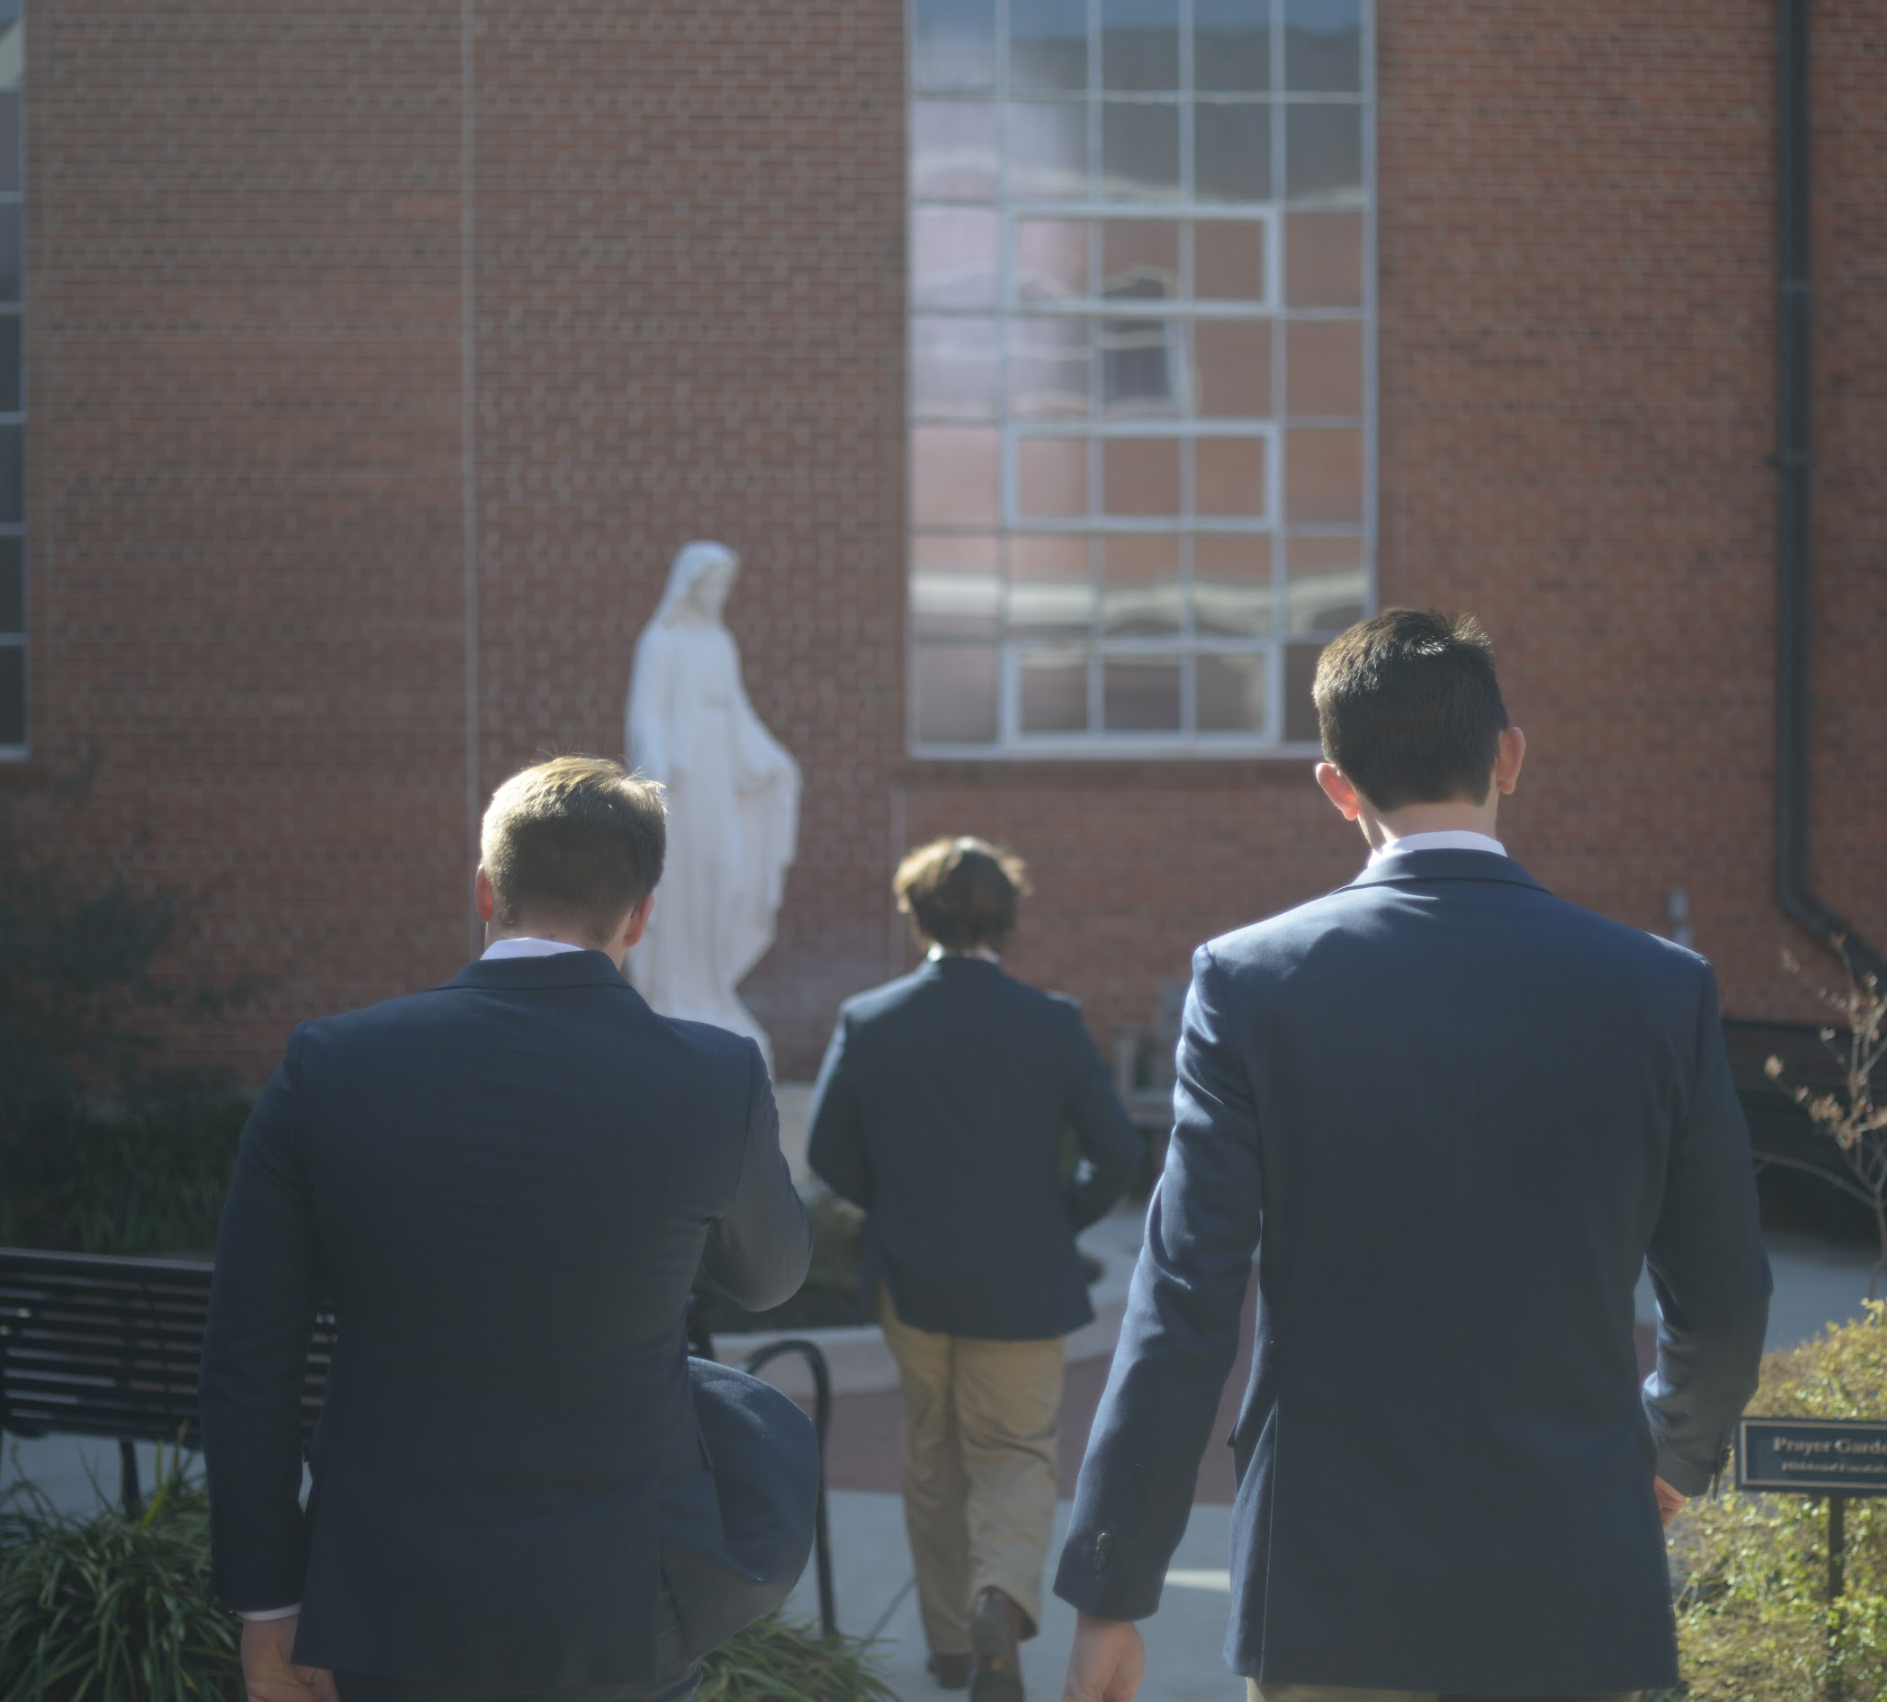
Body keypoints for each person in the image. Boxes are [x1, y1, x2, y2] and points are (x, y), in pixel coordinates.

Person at [1055, 610, 1773, 1702]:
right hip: (1573, 1564)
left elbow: (1183, 1304)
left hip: (1325, 1579)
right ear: (1510, 756)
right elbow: (1722, 1294)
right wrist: (1673, 1452)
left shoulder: (1250, 983)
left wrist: (1114, 1584)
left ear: (1337, 785)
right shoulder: (1659, 989)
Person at [199, 755, 814, 1702]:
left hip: (382, 1610)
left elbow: (249, 1361)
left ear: (485, 892)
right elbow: (772, 1278)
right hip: (616, 1615)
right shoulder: (714, 1079)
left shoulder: (329, 1066)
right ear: (641, 915)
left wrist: (269, 1603)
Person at [807, 837, 1143, 1702]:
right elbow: (1114, 1154)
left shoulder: (869, 1018)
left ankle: (952, 1650)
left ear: (913, 915)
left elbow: (827, 1153)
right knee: (1014, 1453)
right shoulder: (1052, 1021)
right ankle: (999, 1598)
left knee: (930, 1457)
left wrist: (897, 1208)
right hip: (1020, 1283)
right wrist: (1051, 1219)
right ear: (1008, 918)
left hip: (910, 1280)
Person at [624, 539, 801, 1074]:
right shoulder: (662, 641)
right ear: (692, 586)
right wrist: (655, 773)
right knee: (680, 883)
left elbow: (737, 710)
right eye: (715, 584)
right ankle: (673, 997)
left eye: (727, 586)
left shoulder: (721, 644)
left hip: (720, 776)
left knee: (729, 878)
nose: (722, 595)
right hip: (680, 781)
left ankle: (712, 992)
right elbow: (645, 716)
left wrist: (772, 759)